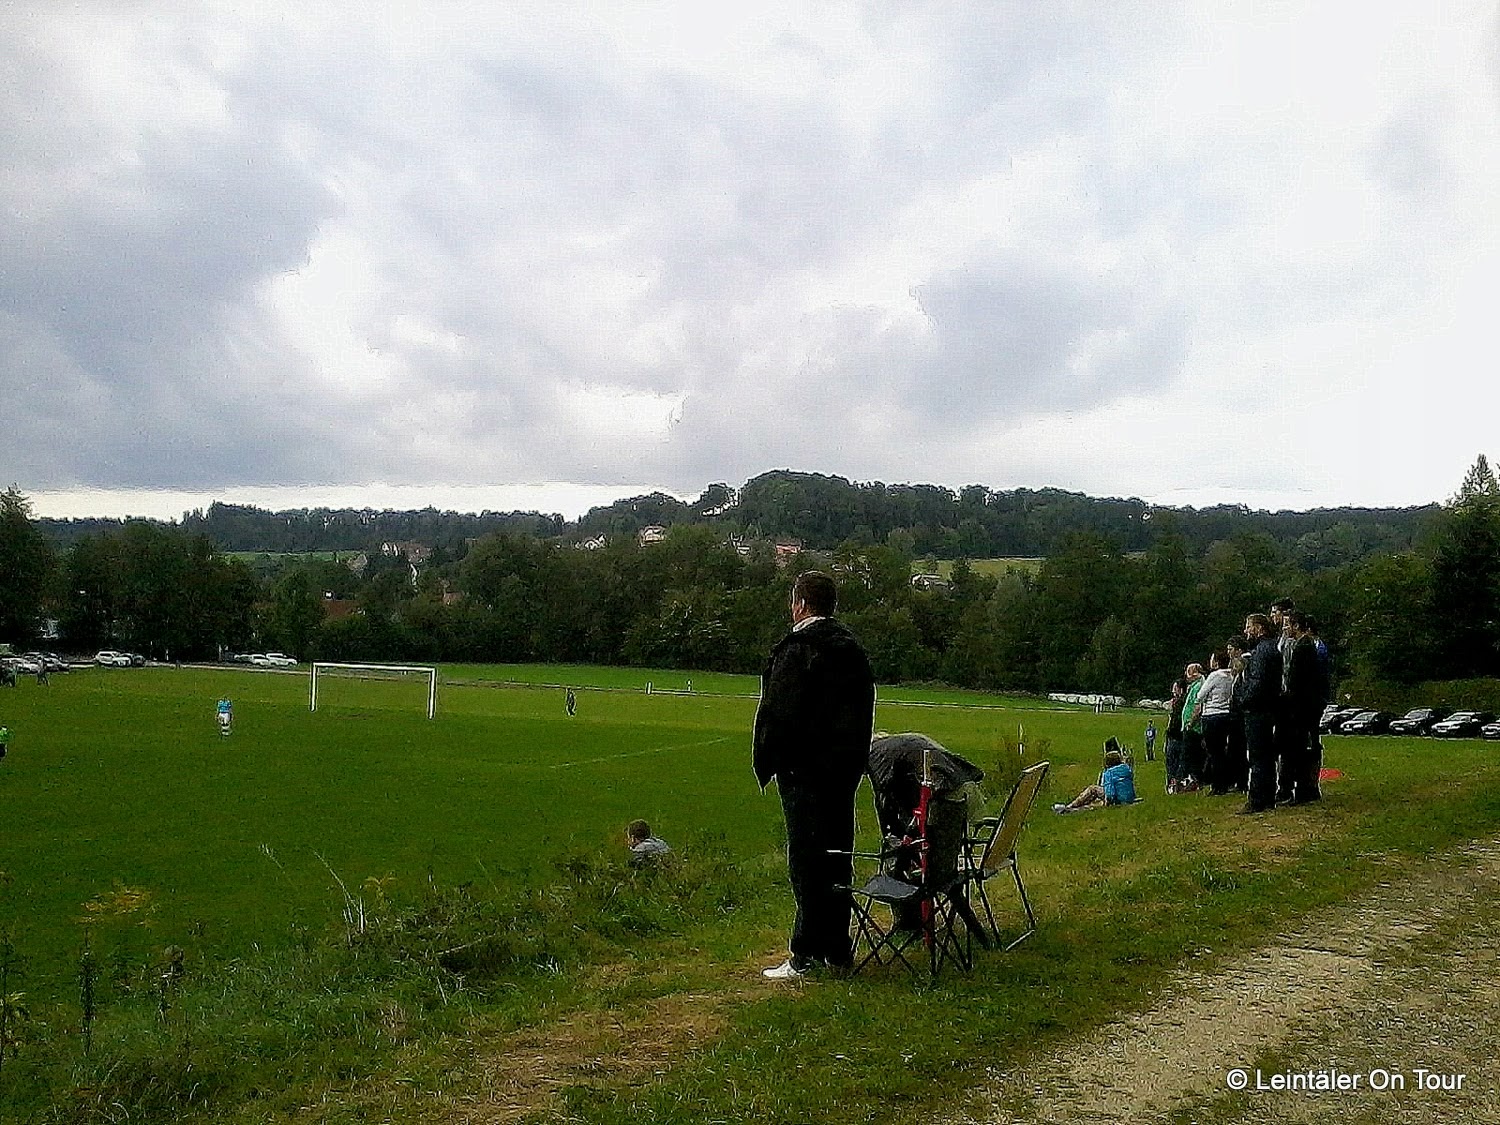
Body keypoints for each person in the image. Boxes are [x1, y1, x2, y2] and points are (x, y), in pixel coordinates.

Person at [753, 571, 875, 980]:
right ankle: (837, 951)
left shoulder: (799, 649)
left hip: (804, 774)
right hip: (843, 773)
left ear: (801, 604)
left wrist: (773, 760)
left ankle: (804, 953)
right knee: (838, 859)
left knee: (806, 863)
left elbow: (780, 713)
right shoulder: (852, 650)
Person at [866, 732, 984, 930]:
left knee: (897, 857)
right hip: (963, 789)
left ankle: (910, 922)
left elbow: (885, 801)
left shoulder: (875, 756)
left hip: (942, 796)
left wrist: (894, 839)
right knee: (935, 856)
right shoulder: (905, 741)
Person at [1278, 610, 1328, 805]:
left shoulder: (1304, 648)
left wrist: (1288, 699)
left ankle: (1303, 789)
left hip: (1301, 707)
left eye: (1287, 625)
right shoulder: (1304, 646)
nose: (1285, 629)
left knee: (1300, 748)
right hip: (1304, 705)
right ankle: (1305, 788)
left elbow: (1298, 681)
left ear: (1296, 626)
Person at [1239, 613, 1284, 814]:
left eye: (1249, 627)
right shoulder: (1272, 649)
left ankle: (1257, 798)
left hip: (1257, 710)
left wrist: (1243, 699)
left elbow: (1257, 681)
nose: (1246, 631)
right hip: (1269, 708)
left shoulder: (1261, 652)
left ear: (1258, 628)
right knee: (1267, 756)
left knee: (1258, 756)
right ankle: (1268, 796)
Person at [1191, 651, 1235, 795]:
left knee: (1213, 752)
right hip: (1226, 714)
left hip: (1212, 714)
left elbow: (1201, 695)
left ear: (1216, 662)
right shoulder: (1231, 675)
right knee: (1222, 750)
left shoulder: (1215, 676)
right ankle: (1226, 781)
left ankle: (1217, 785)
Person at [1054, 748, 1137, 812]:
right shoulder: (1126, 769)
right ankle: (1073, 808)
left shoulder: (1109, 773)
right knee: (1095, 801)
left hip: (1117, 800)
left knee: (1092, 789)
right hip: (1128, 798)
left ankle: (1070, 806)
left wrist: (1108, 801)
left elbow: (1110, 792)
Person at [1180, 664, 1207, 790]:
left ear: (1195, 673)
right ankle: (1192, 780)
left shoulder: (1199, 686)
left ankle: (1194, 781)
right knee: (1190, 755)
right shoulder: (1194, 686)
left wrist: (1190, 723)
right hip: (1190, 727)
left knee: (1191, 755)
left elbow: (1197, 706)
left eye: (1188, 672)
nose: (1186, 675)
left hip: (1193, 728)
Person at [1164, 677, 1187, 793]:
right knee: (1174, 761)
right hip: (1174, 735)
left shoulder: (1181, 703)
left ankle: (1174, 784)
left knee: (1173, 762)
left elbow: (1176, 721)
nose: (1173, 692)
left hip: (1176, 736)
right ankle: (1175, 783)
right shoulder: (1178, 703)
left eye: (1175, 689)